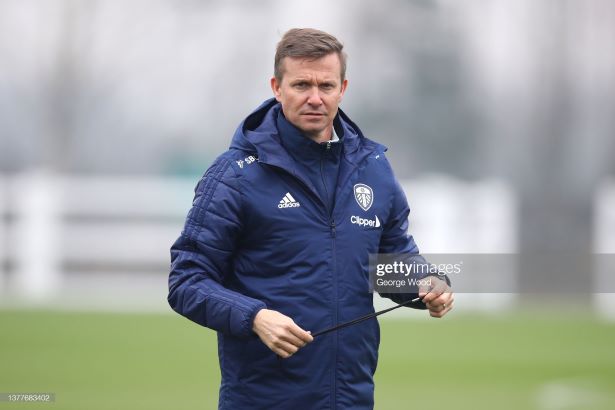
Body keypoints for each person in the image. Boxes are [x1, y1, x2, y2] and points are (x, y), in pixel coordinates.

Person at [168, 28, 454, 410]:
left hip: (351, 397)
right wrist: (254, 317)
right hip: (262, 399)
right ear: (277, 86)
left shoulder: (374, 168)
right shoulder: (235, 175)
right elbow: (187, 280)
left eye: (326, 85)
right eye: (302, 84)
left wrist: (428, 284)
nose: (315, 98)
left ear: (343, 88)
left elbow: (388, 263)